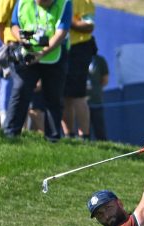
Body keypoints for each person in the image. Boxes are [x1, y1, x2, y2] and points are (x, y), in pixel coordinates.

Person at [3, 0, 72, 141]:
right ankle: (10, 133)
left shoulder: (65, 3)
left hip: (54, 56)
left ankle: (53, 138)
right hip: (27, 52)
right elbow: (14, 25)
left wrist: (41, 54)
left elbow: (61, 32)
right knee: (20, 89)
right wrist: (21, 38)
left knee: (53, 96)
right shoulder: (23, 2)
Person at [61, 0, 96, 139]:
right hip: (61, 48)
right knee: (64, 96)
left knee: (78, 95)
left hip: (79, 49)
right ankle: (69, 135)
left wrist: (68, 21)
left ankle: (84, 136)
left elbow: (89, 25)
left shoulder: (83, 1)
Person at [0, 0, 17, 125]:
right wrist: (8, 43)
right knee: (11, 86)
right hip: (15, 46)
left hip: (28, 45)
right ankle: (7, 126)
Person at [87, 52, 108, 141]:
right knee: (84, 129)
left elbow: (105, 80)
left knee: (99, 130)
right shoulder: (76, 58)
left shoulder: (99, 60)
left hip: (96, 101)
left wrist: (95, 90)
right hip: (80, 101)